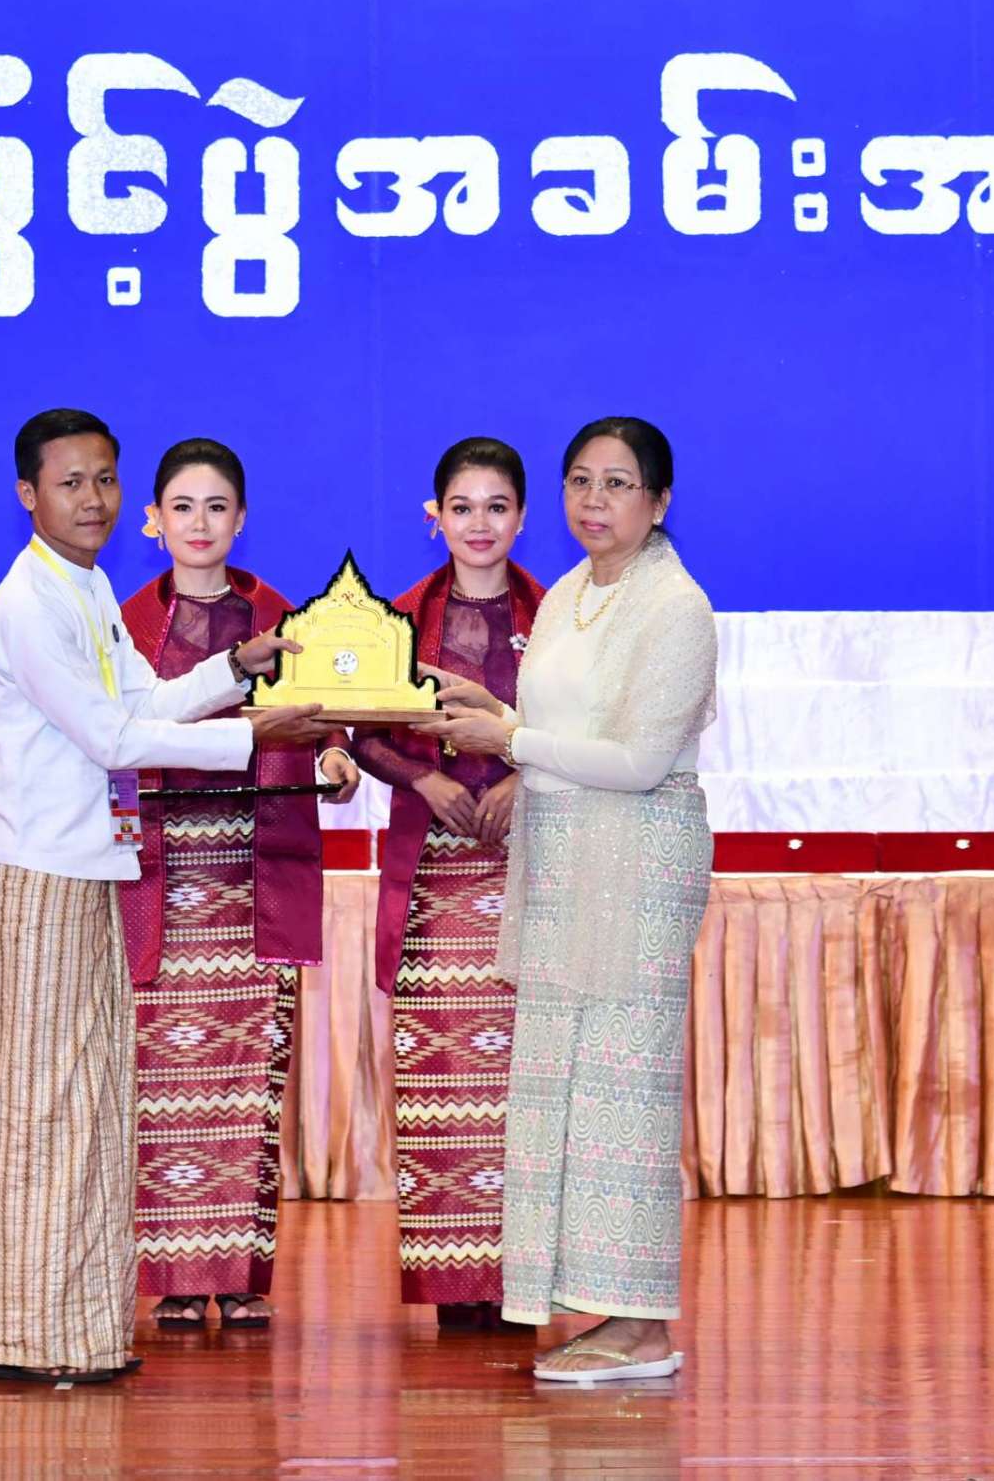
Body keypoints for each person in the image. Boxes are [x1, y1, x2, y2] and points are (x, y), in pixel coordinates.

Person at [0, 408, 326, 1383]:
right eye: (69, 483)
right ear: (27, 495)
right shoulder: (28, 604)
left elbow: (143, 702)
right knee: (45, 1111)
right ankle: (25, 1336)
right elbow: (114, 739)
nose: (91, 500)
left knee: (91, 1111)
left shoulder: (84, 588)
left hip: (91, 870)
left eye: (104, 480)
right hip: (40, 875)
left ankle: (79, 1330)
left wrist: (235, 669)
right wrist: (255, 733)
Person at [418, 416, 716, 1382]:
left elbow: (637, 761)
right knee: (570, 1091)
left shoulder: (675, 607)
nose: (594, 501)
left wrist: (508, 741)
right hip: (560, 859)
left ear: (658, 502)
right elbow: (560, 728)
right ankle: (601, 1309)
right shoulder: (569, 596)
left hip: (636, 862)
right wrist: (493, 712)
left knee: (625, 1094)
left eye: (618, 484)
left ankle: (644, 1324)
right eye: (580, 481)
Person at [118, 438, 359, 1330]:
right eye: (182, 507)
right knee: (164, 1089)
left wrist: (335, 759)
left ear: (241, 518)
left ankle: (244, 1276)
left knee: (250, 1081)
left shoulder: (283, 620)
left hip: (253, 878)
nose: (200, 523)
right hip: (159, 881)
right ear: (154, 520)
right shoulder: (125, 623)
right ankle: (179, 1279)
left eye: (216, 506)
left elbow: (329, 724)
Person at [354, 437, 544, 1328]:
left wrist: (521, 776)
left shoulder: (561, 616)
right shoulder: (397, 620)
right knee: (441, 1084)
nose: (479, 523)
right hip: (432, 879)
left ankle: (525, 1279)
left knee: (525, 1084)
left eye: (496, 506)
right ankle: (452, 1284)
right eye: (461, 507)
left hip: (532, 869)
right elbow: (360, 730)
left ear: (522, 516)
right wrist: (424, 780)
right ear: (435, 518)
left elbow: (584, 729)